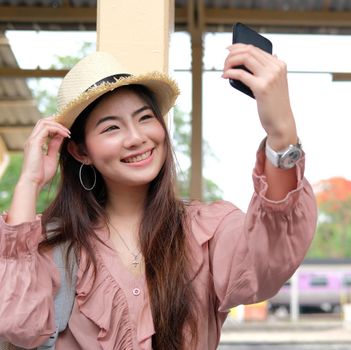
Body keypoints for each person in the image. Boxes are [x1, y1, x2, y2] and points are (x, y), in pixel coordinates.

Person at [0, 46, 317, 349]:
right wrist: (28, 182)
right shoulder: (50, 246)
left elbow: (268, 259)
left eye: (145, 118)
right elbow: (18, 323)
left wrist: (281, 133)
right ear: (81, 151)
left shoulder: (207, 231)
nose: (137, 137)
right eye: (111, 128)